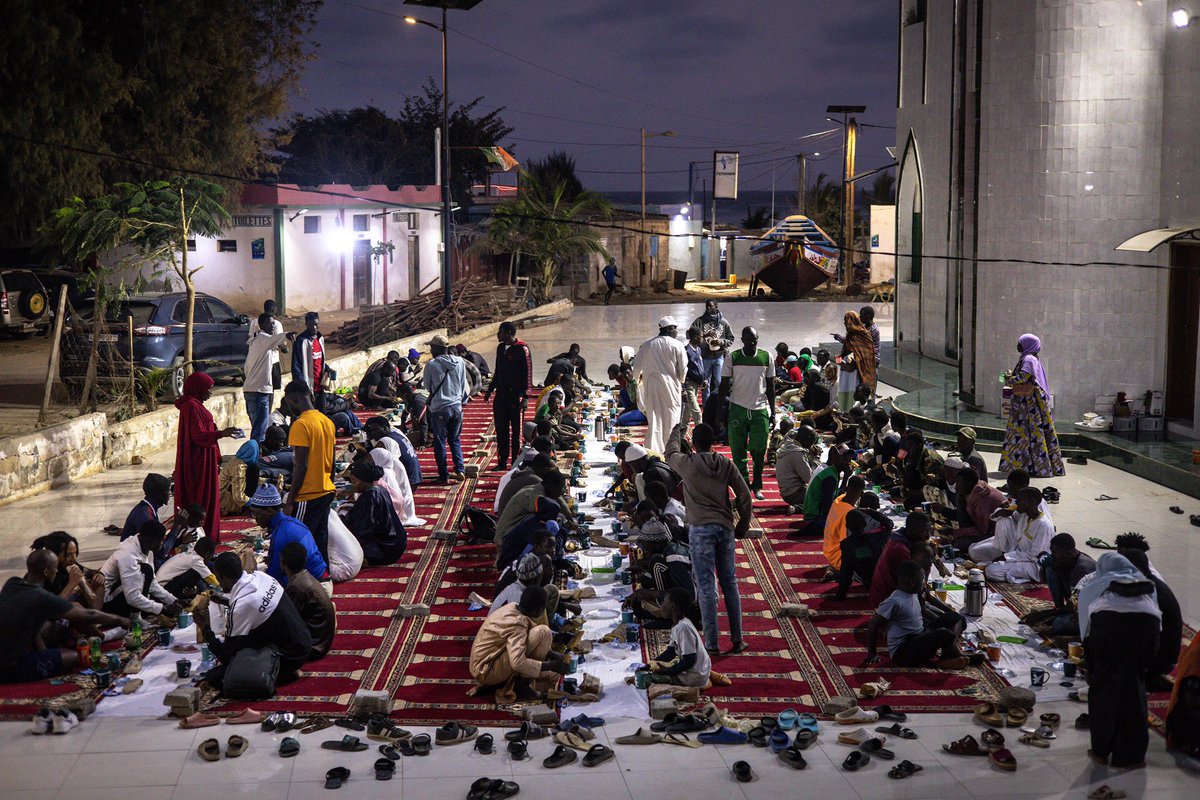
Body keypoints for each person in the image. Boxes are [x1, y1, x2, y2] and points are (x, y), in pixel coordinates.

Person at [665, 421, 751, 655]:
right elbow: (744, 494)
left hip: (701, 530)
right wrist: (743, 523)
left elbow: (670, 453)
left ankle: (712, 644)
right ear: (712, 442)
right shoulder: (724, 463)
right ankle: (737, 639)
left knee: (705, 587)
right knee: (730, 583)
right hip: (724, 528)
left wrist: (676, 431)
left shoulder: (687, 464)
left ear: (693, 443)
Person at [1079, 552, 1161, 769]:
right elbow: (1157, 624)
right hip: (1147, 626)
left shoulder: (1095, 586)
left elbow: (1086, 630)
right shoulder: (1145, 583)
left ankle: (1101, 750)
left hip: (1108, 626)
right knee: (1134, 692)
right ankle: (1132, 756)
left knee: (1104, 691)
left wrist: (1093, 668)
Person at [0, 549, 129, 684]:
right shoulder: (39, 596)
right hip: (9, 666)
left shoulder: (12, 583)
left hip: (13, 648)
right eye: (55, 569)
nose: (56, 572)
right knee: (73, 657)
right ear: (46, 572)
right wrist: (120, 620)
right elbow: (89, 614)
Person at [196, 552, 313, 688]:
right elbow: (253, 606)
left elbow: (226, 657)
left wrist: (204, 627)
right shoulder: (261, 577)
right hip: (304, 642)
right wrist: (226, 601)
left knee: (216, 676)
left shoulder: (241, 606)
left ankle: (282, 673)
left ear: (221, 576)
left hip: (290, 657)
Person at [865, 560, 972, 670]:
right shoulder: (895, 601)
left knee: (955, 617)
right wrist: (872, 653)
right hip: (903, 651)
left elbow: (924, 608)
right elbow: (873, 624)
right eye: (921, 580)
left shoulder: (913, 593)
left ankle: (950, 653)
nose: (923, 583)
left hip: (919, 634)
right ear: (912, 582)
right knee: (944, 633)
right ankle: (947, 658)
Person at [468, 585, 569, 702]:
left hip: (483, 663)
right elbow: (517, 663)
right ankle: (522, 686)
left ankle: (513, 681)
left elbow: (530, 632)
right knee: (543, 632)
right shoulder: (517, 624)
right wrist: (551, 665)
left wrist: (553, 654)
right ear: (539, 610)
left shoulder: (513, 607)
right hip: (485, 670)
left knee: (541, 634)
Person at [174, 372, 239, 544]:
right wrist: (220, 434)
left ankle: (209, 533)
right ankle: (201, 536)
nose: (211, 392)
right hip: (198, 460)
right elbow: (198, 435)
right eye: (208, 389)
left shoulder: (195, 405)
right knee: (200, 494)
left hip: (205, 456)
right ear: (198, 388)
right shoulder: (191, 406)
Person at [282, 380, 336, 561]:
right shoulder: (327, 421)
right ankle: (323, 576)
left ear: (293, 399)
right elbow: (333, 461)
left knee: (299, 543)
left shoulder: (300, 425)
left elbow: (300, 465)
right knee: (320, 540)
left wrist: (290, 501)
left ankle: (304, 581)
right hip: (326, 489)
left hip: (308, 494)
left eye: (288, 402)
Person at [720, 326, 775, 500]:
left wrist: (772, 411)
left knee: (759, 449)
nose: (752, 344)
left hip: (760, 410)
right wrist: (718, 414)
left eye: (755, 340)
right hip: (738, 408)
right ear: (742, 341)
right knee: (738, 451)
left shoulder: (766, 356)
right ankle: (744, 488)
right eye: (749, 341)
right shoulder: (732, 357)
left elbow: (771, 386)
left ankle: (757, 485)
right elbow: (723, 386)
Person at [1001, 333, 1064, 477]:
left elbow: (1024, 377)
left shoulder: (1028, 358)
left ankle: (1034, 466)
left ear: (1027, 345)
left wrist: (1009, 380)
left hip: (1028, 405)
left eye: (1020, 343)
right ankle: (1030, 466)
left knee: (1030, 433)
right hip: (1027, 403)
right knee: (1028, 435)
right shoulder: (1029, 357)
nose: (1017, 345)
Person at [1122, 549, 1183, 693]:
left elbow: (1146, 633)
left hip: (1162, 658)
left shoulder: (1151, 592)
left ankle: (1150, 680)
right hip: (1159, 648)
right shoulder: (1148, 584)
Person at [968, 487, 1054, 583]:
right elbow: (999, 517)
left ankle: (1021, 576)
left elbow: (1034, 555)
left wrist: (1006, 557)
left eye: (1020, 500)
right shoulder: (1024, 515)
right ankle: (1006, 566)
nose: (1016, 502)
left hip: (1033, 563)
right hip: (1017, 553)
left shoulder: (1043, 525)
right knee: (1004, 519)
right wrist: (1002, 511)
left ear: (1030, 502)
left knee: (991, 570)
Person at [249, 484, 330, 587]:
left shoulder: (283, 533)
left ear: (269, 511)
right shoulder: (288, 522)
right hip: (319, 580)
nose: (255, 518)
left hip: (315, 588)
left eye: (256, 513)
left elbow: (275, 579)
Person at [99, 520, 183, 617]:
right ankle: (134, 620)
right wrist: (163, 609)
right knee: (145, 570)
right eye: (161, 541)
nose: (162, 545)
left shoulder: (145, 547)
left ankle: (137, 617)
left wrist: (173, 600)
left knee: (146, 571)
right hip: (105, 602)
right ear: (153, 542)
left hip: (121, 593)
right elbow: (132, 597)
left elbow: (152, 583)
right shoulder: (128, 555)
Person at [634, 316, 688, 455]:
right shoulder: (677, 345)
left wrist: (639, 383)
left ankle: (653, 452)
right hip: (671, 387)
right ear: (669, 329)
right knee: (671, 419)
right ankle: (670, 451)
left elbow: (636, 368)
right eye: (675, 328)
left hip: (651, 387)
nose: (676, 332)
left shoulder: (647, 344)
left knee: (655, 419)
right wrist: (681, 380)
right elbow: (683, 370)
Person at [339, 460, 407, 566]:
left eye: (354, 482)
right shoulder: (379, 489)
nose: (353, 486)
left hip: (386, 549)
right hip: (397, 543)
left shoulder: (370, 496)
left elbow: (363, 529)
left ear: (365, 480)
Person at [485, 321, 533, 471]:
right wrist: (490, 389)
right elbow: (497, 370)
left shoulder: (522, 349)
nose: (498, 334)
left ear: (508, 333)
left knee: (516, 431)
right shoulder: (500, 348)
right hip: (501, 396)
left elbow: (528, 373)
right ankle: (502, 461)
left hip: (515, 397)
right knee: (501, 429)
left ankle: (515, 463)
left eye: (500, 331)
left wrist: (526, 397)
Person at [423, 334, 469, 482]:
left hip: (440, 408)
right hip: (457, 407)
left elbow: (427, 386)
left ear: (436, 349)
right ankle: (460, 469)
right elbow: (463, 384)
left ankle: (444, 475)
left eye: (431, 347)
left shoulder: (431, 365)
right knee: (455, 440)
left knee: (440, 442)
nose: (430, 350)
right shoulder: (460, 362)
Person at [631, 520, 695, 624]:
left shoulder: (674, 558)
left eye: (646, 545)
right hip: (689, 596)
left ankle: (668, 616)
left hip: (695, 605)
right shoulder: (669, 550)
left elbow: (689, 595)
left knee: (656, 564)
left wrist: (653, 594)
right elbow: (646, 581)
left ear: (657, 543)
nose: (645, 550)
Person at [645, 587, 711, 688]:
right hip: (696, 671)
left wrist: (667, 672)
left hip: (693, 677)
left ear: (672, 606)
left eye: (663, 603)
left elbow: (689, 660)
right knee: (658, 670)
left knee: (648, 681)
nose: (661, 606)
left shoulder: (682, 628)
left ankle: (697, 683)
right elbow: (670, 652)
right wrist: (652, 664)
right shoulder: (679, 624)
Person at [281, 541, 336, 661]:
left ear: (283, 562)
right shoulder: (304, 577)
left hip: (314, 647)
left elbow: (289, 622)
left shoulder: (297, 586)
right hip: (320, 640)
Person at [244, 313, 293, 441]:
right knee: (260, 431)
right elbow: (276, 339)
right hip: (259, 391)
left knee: (256, 427)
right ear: (262, 325)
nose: (273, 326)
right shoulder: (264, 338)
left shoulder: (254, 341)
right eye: (270, 323)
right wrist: (287, 335)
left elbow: (246, 368)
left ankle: (255, 453)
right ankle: (258, 457)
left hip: (250, 389)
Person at [869, 511, 932, 608]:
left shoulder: (900, 537)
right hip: (887, 601)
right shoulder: (901, 550)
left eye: (929, 531)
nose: (928, 536)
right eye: (923, 532)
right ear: (911, 531)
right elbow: (913, 586)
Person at [1037, 533, 1096, 636]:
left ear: (1069, 552)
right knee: (1051, 568)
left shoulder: (1083, 569)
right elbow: (1043, 581)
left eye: (1055, 552)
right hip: (1075, 603)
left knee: (1060, 624)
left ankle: (1060, 614)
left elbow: (1075, 605)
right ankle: (1059, 610)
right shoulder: (1066, 560)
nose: (1052, 555)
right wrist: (1044, 566)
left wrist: (1046, 613)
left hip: (1089, 612)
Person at [30, 531, 105, 609]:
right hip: (51, 614)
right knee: (76, 606)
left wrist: (99, 575)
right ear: (54, 554)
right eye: (68, 555)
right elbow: (51, 608)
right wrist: (72, 583)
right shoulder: (45, 572)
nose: (74, 559)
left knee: (99, 582)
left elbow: (90, 572)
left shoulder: (68, 564)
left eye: (75, 553)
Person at [794, 443, 852, 537]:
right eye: (845, 460)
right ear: (834, 458)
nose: (848, 464)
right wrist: (845, 479)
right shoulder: (830, 477)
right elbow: (829, 508)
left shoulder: (826, 468)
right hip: (816, 518)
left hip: (813, 514)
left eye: (849, 461)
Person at [833, 510, 889, 601]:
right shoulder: (875, 536)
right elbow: (888, 524)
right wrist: (871, 511)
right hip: (886, 580)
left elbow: (846, 572)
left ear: (847, 526)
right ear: (865, 523)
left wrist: (840, 595)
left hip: (870, 584)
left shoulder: (847, 545)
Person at [947, 468, 1007, 551]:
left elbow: (982, 530)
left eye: (958, 483)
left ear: (969, 483)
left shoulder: (982, 500)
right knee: (959, 497)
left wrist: (954, 532)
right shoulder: (974, 490)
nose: (956, 487)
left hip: (995, 534)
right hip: (983, 528)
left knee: (959, 544)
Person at [691, 299, 735, 396]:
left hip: (719, 357)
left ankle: (719, 404)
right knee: (705, 384)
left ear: (716, 306)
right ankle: (707, 407)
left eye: (711, 306)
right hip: (704, 358)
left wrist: (720, 342)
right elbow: (688, 335)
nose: (708, 308)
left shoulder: (723, 323)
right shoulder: (699, 321)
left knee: (719, 382)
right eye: (707, 306)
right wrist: (704, 335)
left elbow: (731, 339)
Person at [363, 416, 423, 487]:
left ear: (385, 428)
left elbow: (371, 462)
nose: (370, 435)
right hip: (414, 477)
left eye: (374, 430)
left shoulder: (386, 440)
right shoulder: (396, 432)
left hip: (407, 481)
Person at [823, 475, 865, 574]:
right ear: (862, 493)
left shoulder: (839, 499)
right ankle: (838, 572)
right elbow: (847, 543)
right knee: (871, 551)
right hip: (838, 558)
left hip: (828, 551)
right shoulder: (849, 513)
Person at [777, 425, 820, 511]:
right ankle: (797, 508)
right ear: (806, 440)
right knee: (824, 501)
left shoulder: (788, 446)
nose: (812, 444)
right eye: (811, 441)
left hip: (787, 491)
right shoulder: (797, 453)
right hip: (794, 493)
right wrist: (816, 458)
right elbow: (810, 478)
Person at [120, 473, 172, 540]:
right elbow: (157, 547)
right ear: (161, 494)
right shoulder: (145, 515)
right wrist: (176, 529)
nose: (170, 493)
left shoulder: (147, 507)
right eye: (168, 490)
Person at [291, 311, 327, 393]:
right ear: (306, 324)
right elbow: (295, 367)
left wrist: (328, 369)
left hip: (320, 387)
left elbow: (319, 361)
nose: (314, 327)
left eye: (316, 324)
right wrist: (303, 387)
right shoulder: (301, 342)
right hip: (308, 388)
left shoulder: (320, 339)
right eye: (311, 325)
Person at [681, 327, 705, 429]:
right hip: (689, 385)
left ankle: (681, 435)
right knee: (697, 412)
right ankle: (701, 435)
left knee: (687, 413)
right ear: (695, 337)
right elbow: (682, 369)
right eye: (701, 337)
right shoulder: (686, 351)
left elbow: (700, 366)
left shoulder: (698, 350)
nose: (703, 339)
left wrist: (704, 379)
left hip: (696, 385)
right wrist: (683, 389)